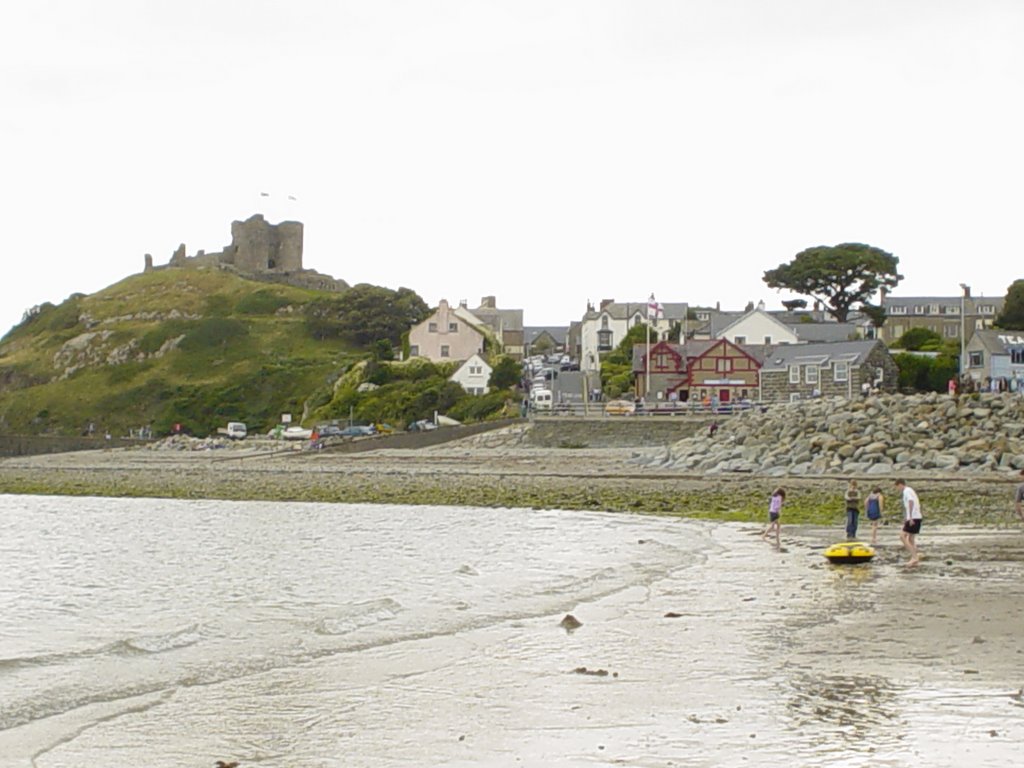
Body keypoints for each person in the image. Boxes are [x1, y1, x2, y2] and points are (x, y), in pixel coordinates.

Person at [895, 479, 922, 567]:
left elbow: (911, 501)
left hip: (913, 517)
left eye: (897, 487)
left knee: (902, 536)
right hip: (916, 517)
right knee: (911, 539)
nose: (898, 489)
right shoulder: (910, 490)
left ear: (900, 485)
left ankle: (914, 557)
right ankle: (914, 558)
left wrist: (909, 517)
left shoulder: (906, 491)